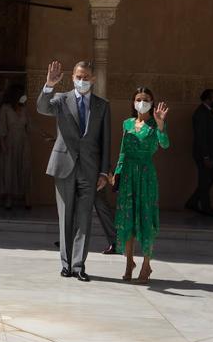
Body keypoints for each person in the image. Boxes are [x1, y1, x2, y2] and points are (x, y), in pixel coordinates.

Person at [37, 60, 111, 282]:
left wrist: (104, 172)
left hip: (89, 169)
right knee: (65, 216)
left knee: (84, 217)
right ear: (72, 77)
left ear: (93, 79)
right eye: (79, 76)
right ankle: (66, 264)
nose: (82, 80)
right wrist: (49, 85)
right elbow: (42, 107)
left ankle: (79, 266)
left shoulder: (102, 105)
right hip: (64, 166)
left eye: (86, 77)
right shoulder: (60, 100)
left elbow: (105, 140)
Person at [112, 88, 169, 284]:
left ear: (152, 102)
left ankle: (146, 264)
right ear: (133, 102)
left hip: (145, 176)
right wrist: (117, 173)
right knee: (127, 219)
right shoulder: (127, 123)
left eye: (146, 99)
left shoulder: (155, 125)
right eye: (138, 99)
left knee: (145, 221)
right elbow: (122, 151)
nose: (142, 102)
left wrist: (161, 126)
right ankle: (129, 263)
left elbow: (165, 144)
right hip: (128, 175)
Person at [185, 88, 213, 216]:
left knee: (210, 178)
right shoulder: (201, 113)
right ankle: (206, 208)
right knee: (205, 180)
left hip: (211, 154)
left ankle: (193, 202)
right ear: (208, 99)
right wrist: (206, 156)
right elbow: (201, 137)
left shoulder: (209, 113)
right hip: (204, 155)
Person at [0, 85, 32, 210]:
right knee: (9, 170)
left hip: (23, 142)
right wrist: (3, 146)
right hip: (10, 142)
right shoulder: (5, 109)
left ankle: (27, 199)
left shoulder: (24, 109)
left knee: (24, 168)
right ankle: (9, 199)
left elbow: (30, 126)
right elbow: (1, 128)